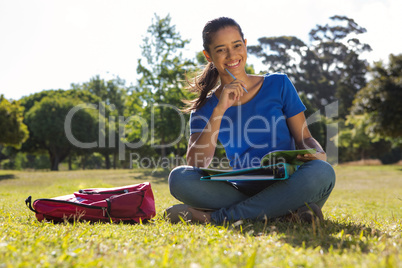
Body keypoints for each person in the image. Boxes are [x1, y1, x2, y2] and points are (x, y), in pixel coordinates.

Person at [166, 17, 335, 224]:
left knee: (322, 171)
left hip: (290, 184)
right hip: (242, 190)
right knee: (179, 178)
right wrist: (220, 109)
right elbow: (196, 162)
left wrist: (317, 152)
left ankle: (215, 218)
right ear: (208, 56)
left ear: (245, 45)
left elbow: (305, 139)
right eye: (221, 50)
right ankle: (284, 215)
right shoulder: (205, 108)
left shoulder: (279, 84)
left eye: (236, 45)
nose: (232, 55)